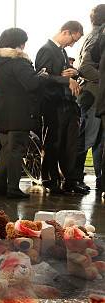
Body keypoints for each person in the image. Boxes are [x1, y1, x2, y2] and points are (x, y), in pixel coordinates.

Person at [0, 28, 67, 198]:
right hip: (18, 113)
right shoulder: (18, 62)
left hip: (1, 112)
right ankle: (13, 188)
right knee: (16, 150)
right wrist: (43, 75)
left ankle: (1, 186)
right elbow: (31, 84)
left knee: (5, 151)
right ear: (20, 43)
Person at [36, 21, 84, 194]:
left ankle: (68, 179)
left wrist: (74, 72)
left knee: (69, 143)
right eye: (73, 40)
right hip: (53, 104)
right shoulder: (46, 49)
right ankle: (50, 178)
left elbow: (59, 73)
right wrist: (65, 79)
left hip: (67, 104)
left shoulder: (62, 52)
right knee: (53, 142)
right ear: (66, 32)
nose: (72, 44)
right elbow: (41, 76)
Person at [76, 5, 105, 192]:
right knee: (87, 140)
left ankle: (99, 179)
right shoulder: (97, 37)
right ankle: (75, 178)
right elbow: (85, 67)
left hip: (95, 96)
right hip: (94, 97)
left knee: (97, 142)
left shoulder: (95, 35)